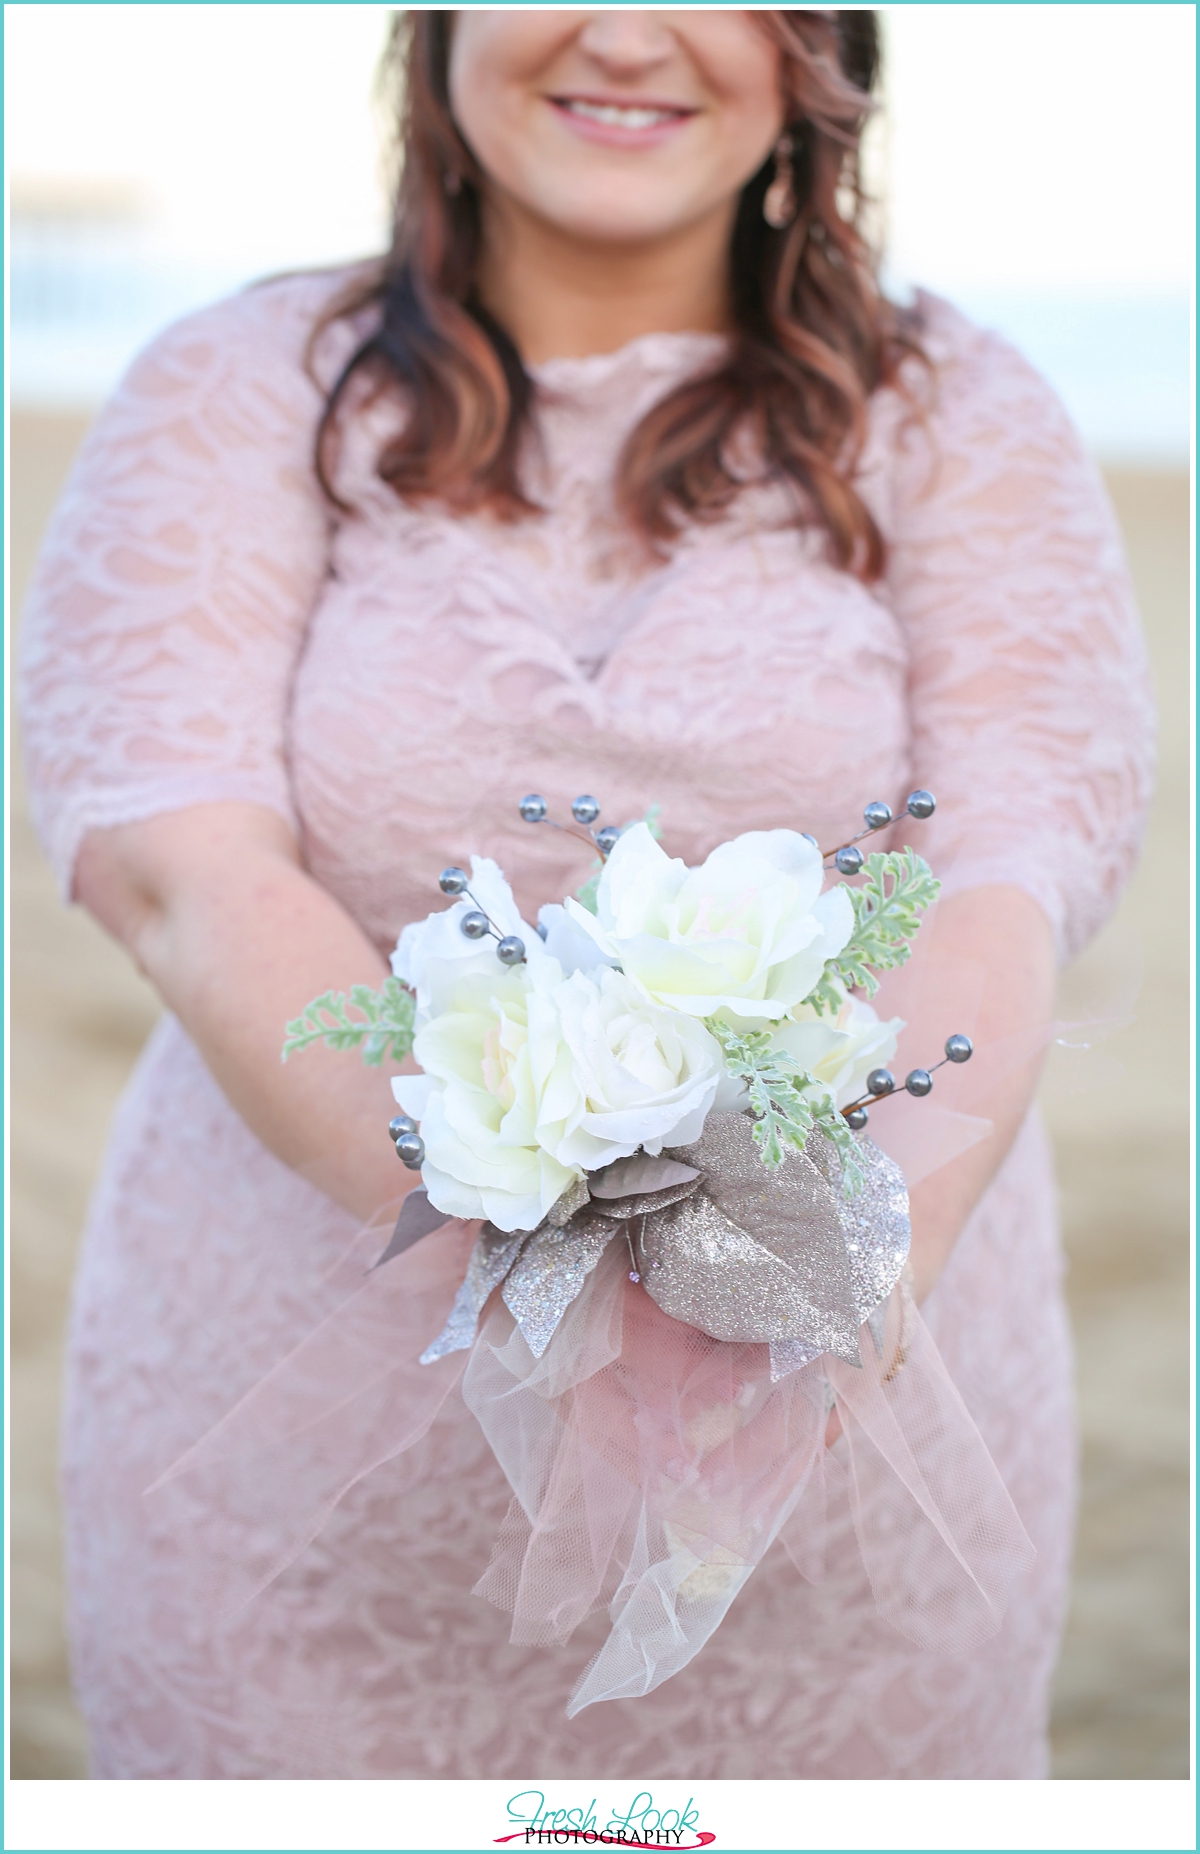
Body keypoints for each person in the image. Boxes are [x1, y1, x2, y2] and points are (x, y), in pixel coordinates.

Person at [19, 9, 1152, 1779]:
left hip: (836, 1448)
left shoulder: (957, 408)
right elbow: (178, 856)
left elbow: (1011, 863)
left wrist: (831, 1266)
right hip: (304, 1453)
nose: (627, 33)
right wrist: (539, 1214)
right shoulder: (239, 384)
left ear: (813, 55)